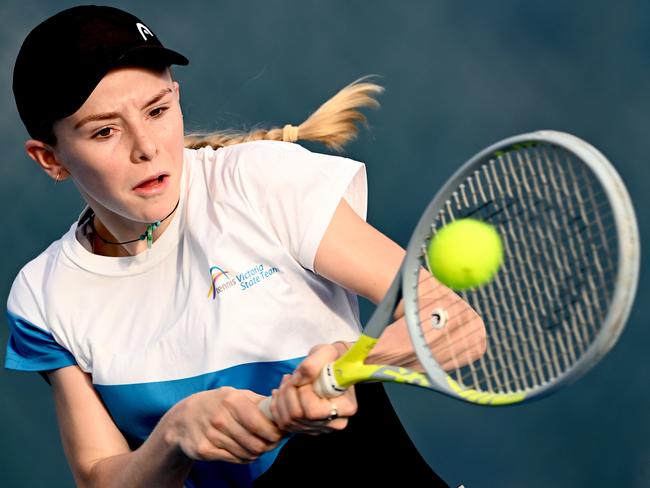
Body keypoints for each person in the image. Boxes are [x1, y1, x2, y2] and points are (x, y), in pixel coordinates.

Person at [5, 5, 482, 487]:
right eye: (105, 131)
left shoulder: (262, 183)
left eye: (157, 110)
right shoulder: (43, 297)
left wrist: (347, 361)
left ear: (177, 98)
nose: (145, 147)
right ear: (50, 158)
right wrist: (175, 436)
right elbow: (99, 478)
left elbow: (457, 327)